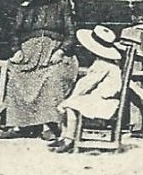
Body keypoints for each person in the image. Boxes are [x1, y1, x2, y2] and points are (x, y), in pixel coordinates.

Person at [0, 0, 76, 140]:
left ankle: (48, 125)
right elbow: (14, 33)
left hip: (53, 54)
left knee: (52, 77)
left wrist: (61, 51)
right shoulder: (26, 8)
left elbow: (71, 34)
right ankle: (19, 125)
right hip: (29, 55)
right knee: (16, 75)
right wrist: (16, 50)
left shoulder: (62, 5)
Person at [53, 25, 125, 154]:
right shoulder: (108, 64)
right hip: (102, 98)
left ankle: (69, 139)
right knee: (70, 103)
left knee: (69, 105)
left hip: (104, 101)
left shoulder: (102, 65)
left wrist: (71, 97)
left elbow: (86, 84)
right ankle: (64, 136)